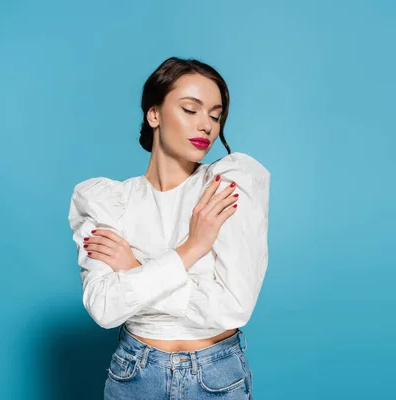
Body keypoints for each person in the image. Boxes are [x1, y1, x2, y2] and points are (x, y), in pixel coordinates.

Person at [68, 56, 270, 399]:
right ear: (154, 113)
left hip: (216, 378)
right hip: (134, 376)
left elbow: (233, 306)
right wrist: (191, 248)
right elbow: (104, 308)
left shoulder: (227, 185)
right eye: (191, 110)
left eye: (215, 115)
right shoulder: (107, 200)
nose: (206, 125)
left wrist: (135, 269)